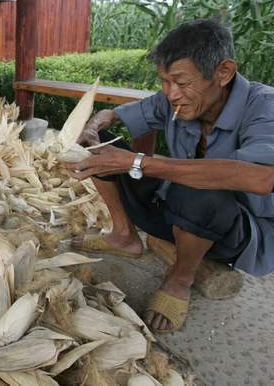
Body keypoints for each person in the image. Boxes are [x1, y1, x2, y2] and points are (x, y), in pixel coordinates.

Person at [67, 19, 274, 333]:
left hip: (233, 233)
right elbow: (114, 114)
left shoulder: (264, 106)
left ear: (224, 73)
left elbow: (260, 178)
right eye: (164, 81)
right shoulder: (174, 100)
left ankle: (180, 279)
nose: (171, 93)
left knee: (200, 191)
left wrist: (138, 162)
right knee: (102, 151)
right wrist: (94, 127)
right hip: (176, 214)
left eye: (181, 81)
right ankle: (124, 236)